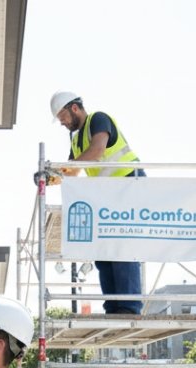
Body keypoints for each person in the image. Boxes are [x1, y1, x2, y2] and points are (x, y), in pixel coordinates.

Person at [50, 90, 144, 315]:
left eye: (62, 116)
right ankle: (113, 306)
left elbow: (97, 150)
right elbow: (71, 171)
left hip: (128, 183)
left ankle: (129, 307)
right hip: (107, 194)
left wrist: (64, 169)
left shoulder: (98, 119)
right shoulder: (76, 139)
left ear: (74, 108)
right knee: (104, 251)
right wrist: (51, 176)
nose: (62, 123)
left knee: (123, 248)